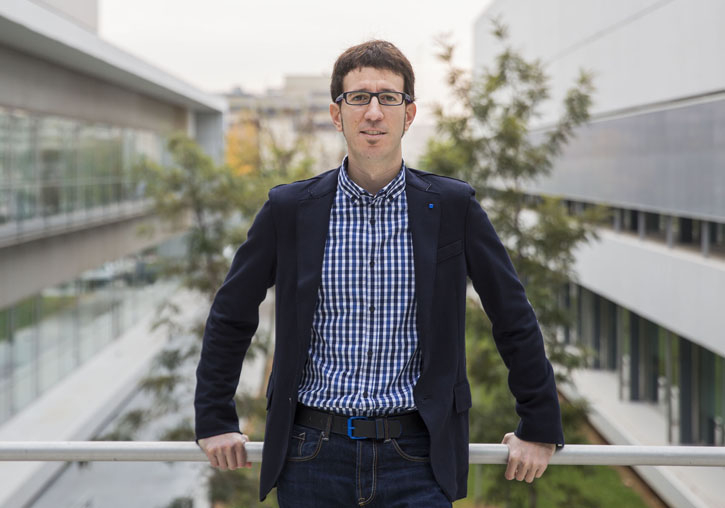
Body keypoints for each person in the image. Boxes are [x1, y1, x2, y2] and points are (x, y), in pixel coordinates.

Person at [194, 40, 563, 507]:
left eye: (389, 98)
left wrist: (540, 425)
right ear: (336, 113)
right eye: (359, 97)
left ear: (409, 114)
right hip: (311, 456)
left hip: (418, 458)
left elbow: (512, 315)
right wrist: (215, 419)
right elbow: (231, 314)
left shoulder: (453, 207)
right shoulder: (289, 210)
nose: (373, 112)